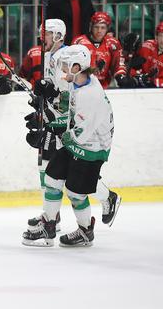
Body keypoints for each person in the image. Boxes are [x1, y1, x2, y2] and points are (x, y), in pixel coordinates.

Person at [22, 44, 116, 247]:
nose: (62, 70)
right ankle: (48, 223)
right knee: (52, 176)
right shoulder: (79, 83)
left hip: (92, 149)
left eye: (65, 66)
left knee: (75, 192)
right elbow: (69, 114)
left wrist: (50, 136)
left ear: (76, 67)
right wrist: (47, 118)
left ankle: (85, 231)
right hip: (81, 140)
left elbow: (80, 134)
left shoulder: (90, 96)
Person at [72, 12, 126, 89]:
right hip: (82, 87)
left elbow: (119, 63)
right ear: (91, 27)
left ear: (107, 29)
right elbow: (72, 67)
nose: (99, 31)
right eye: (96, 27)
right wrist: (90, 71)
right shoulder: (79, 42)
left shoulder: (113, 43)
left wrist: (120, 76)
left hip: (105, 87)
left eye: (102, 27)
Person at [20, 19, 67, 87]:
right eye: (41, 34)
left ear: (58, 36)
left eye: (46, 34)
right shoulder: (47, 55)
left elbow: (68, 87)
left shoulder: (68, 55)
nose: (41, 38)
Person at [123, 21, 163, 88]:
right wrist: (128, 51)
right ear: (156, 37)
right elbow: (129, 63)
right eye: (161, 35)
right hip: (140, 88)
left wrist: (151, 81)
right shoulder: (146, 46)